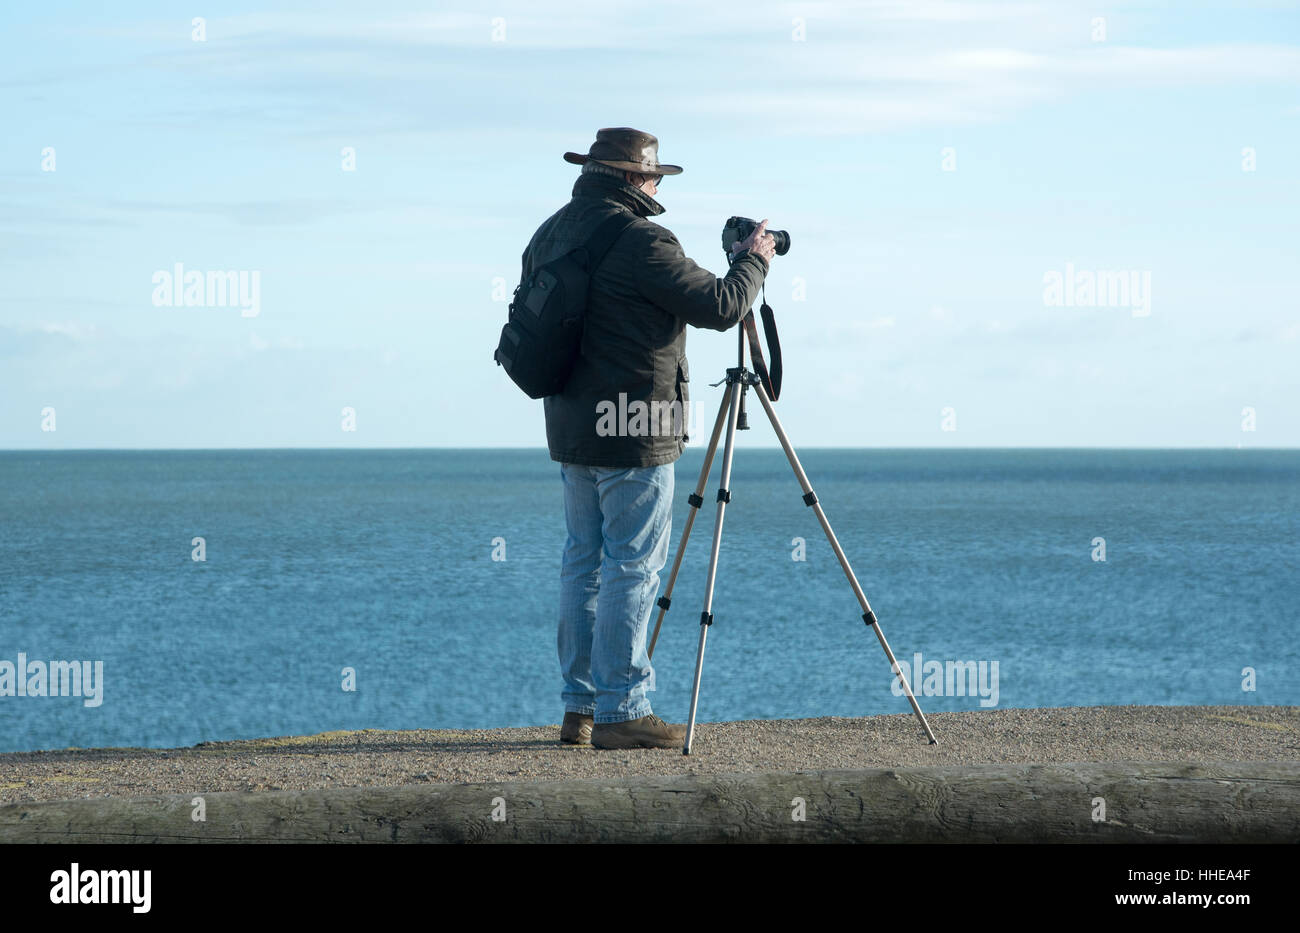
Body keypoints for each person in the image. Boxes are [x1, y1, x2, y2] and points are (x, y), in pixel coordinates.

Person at [520, 127, 777, 749]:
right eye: (656, 176)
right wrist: (755, 260)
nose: (660, 186)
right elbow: (719, 306)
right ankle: (623, 710)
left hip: (573, 424)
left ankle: (580, 709)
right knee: (631, 565)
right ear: (637, 179)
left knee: (582, 564)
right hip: (636, 425)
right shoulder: (643, 239)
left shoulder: (552, 230)